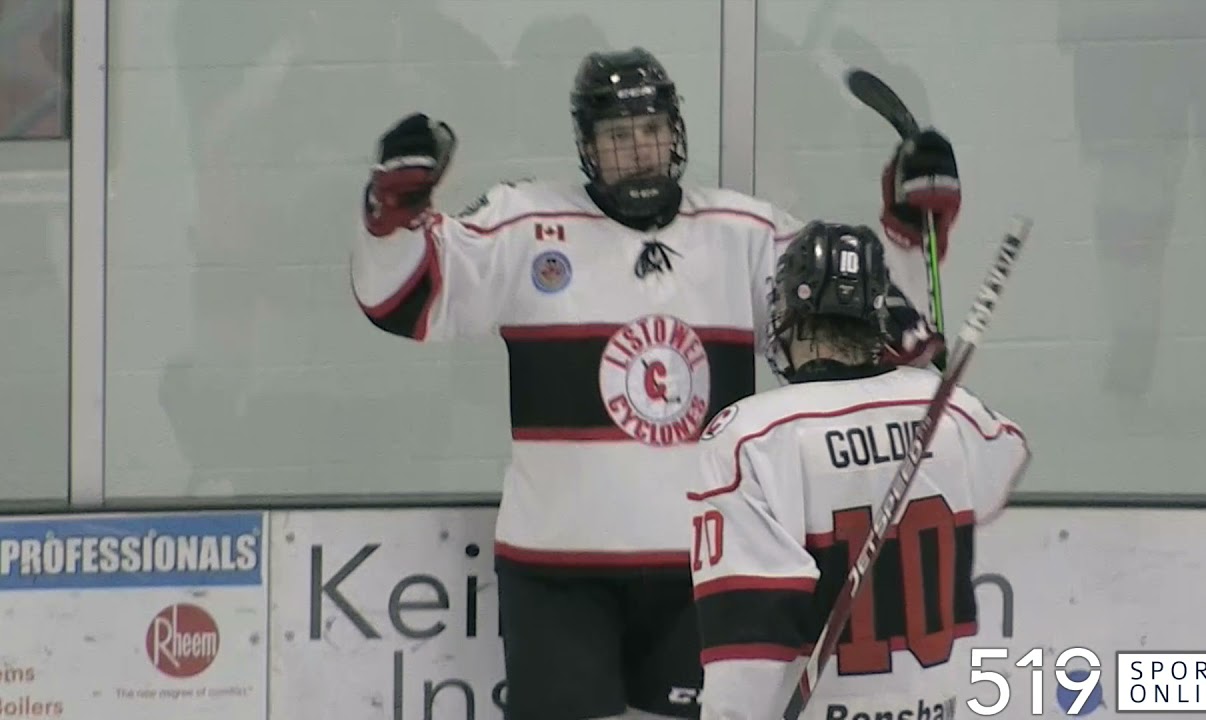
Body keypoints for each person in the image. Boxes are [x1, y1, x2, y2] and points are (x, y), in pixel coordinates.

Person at [350, 45, 960, 720]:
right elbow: (403, 300)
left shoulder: (746, 234)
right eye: (617, 136)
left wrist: (909, 232)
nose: (637, 150)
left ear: (675, 134)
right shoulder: (523, 225)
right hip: (558, 580)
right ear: (588, 146)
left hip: (703, 576)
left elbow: (881, 335)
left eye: (649, 131)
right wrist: (393, 211)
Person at [687, 222, 1029, 720]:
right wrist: (930, 379)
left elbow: (747, 636)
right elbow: (1007, 459)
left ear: (790, 313)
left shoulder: (751, 437)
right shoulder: (951, 412)